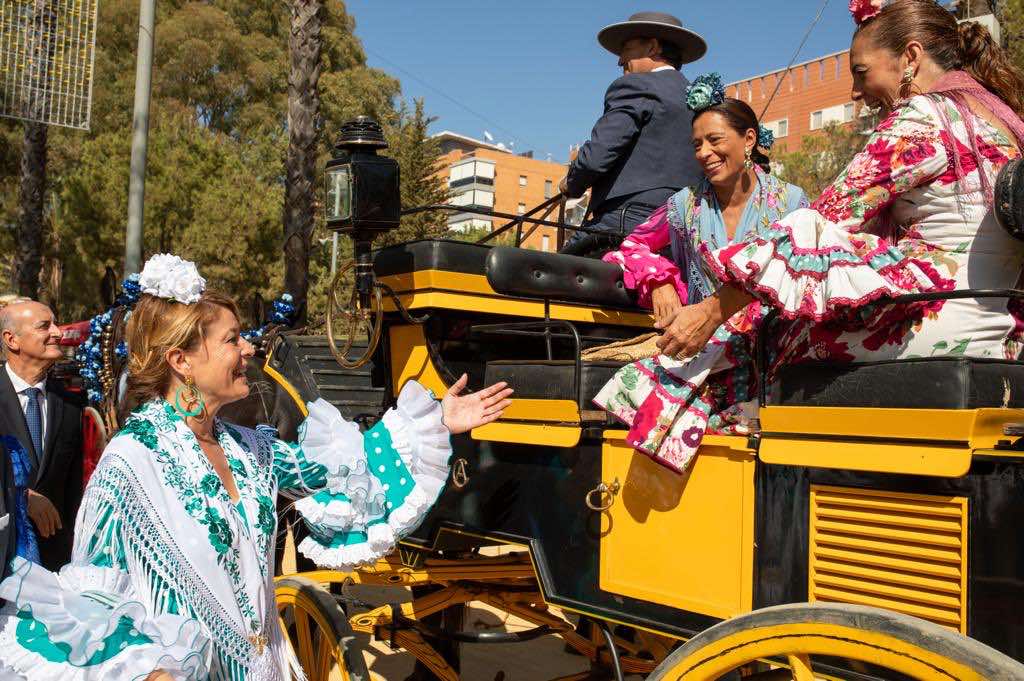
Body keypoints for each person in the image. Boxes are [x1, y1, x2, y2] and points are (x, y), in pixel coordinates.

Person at [0, 254, 513, 680]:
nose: (248, 349)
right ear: (182, 361)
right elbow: (96, 596)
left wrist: (435, 422)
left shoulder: (253, 448)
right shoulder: (131, 463)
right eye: (231, 339)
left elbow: (349, 466)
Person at [595, 0, 1024, 472]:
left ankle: (697, 455)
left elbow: (827, 218)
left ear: (911, 57)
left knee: (756, 331)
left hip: (937, 319)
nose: (857, 91)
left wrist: (710, 313)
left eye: (861, 72)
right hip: (1000, 324)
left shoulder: (923, 118)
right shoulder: (994, 115)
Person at [593, 76, 808, 458]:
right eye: (696, 144)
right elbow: (632, 245)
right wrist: (659, 281)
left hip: (773, 357)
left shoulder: (791, 202)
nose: (704, 152)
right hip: (700, 352)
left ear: (749, 139)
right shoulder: (683, 205)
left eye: (715, 140)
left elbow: (801, 276)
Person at [559, 11, 706, 256]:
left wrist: (572, 183)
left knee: (553, 278)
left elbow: (598, 154)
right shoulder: (701, 100)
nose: (620, 61)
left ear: (652, 47)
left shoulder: (636, 85)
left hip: (629, 222)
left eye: (626, 49)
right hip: (687, 233)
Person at [0, 299, 84, 570]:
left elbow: (72, 488)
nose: (58, 332)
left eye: (56, 324)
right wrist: (20, 497)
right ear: (12, 340)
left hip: (54, 567)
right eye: (44, 326)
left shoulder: (70, 404)